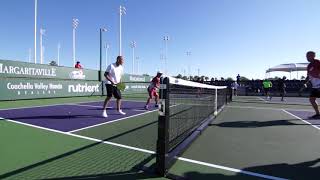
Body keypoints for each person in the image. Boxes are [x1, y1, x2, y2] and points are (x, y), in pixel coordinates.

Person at [303, 51, 320, 118]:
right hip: (315, 86)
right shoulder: (309, 65)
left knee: (312, 99)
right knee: (312, 99)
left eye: (308, 56)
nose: (306, 57)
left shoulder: (318, 63)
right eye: (306, 56)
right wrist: (305, 82)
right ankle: (318, 114)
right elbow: (308, 75)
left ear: (313, 56)